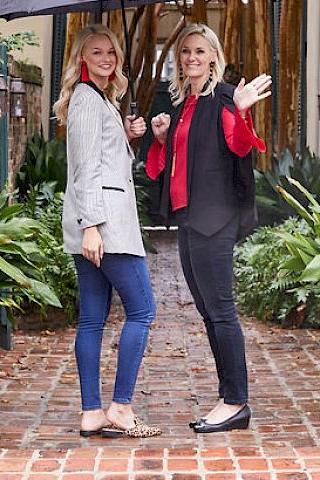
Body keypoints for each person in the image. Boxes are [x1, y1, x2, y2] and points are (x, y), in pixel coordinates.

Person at [145, 23, 271, 434]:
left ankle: (236, 402)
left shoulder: (225, 98)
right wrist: (162, 139)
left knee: (221, 310)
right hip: (188, 217)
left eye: (200, 50)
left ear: (214, 56)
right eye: (186, 51)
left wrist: (243, 109)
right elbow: (172, 164)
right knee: (207, 311)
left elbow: (240, 145)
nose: (192, 57)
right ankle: (228, 398)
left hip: (214, 217)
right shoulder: (186, 104)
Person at [54, 23, 160, 439]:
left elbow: (105, 158)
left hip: (98, 225)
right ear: (82, 57)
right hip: (105, 226)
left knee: (93, 319)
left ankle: (92, 413)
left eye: (111, 52)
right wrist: (92, 227)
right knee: (143, 309)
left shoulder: (100, 99)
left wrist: (127, 135)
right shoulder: (85, 100)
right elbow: (85, 170)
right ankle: (120, 407)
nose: (106, 59)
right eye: (96, 52)